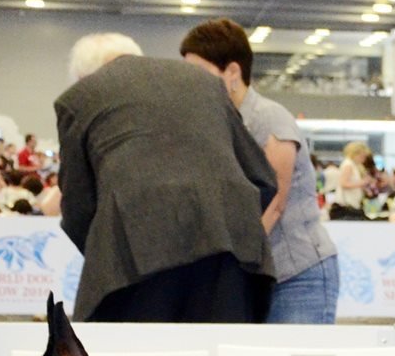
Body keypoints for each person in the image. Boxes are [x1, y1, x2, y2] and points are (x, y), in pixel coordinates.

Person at [54, 32, 278, 321]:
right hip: (230, 251)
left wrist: (108, 249)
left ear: (84, 76)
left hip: (136, 251)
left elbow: (78, 207)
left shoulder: (79, 97)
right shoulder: (205, 83)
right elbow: (262, 177)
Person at [181, 18, 341, 323]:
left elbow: (275, 204)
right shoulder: (216, 122)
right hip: (258, 275)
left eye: (198, 72)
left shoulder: (270, 119)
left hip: (298, 275)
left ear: (232, 72)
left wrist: (230, 265)